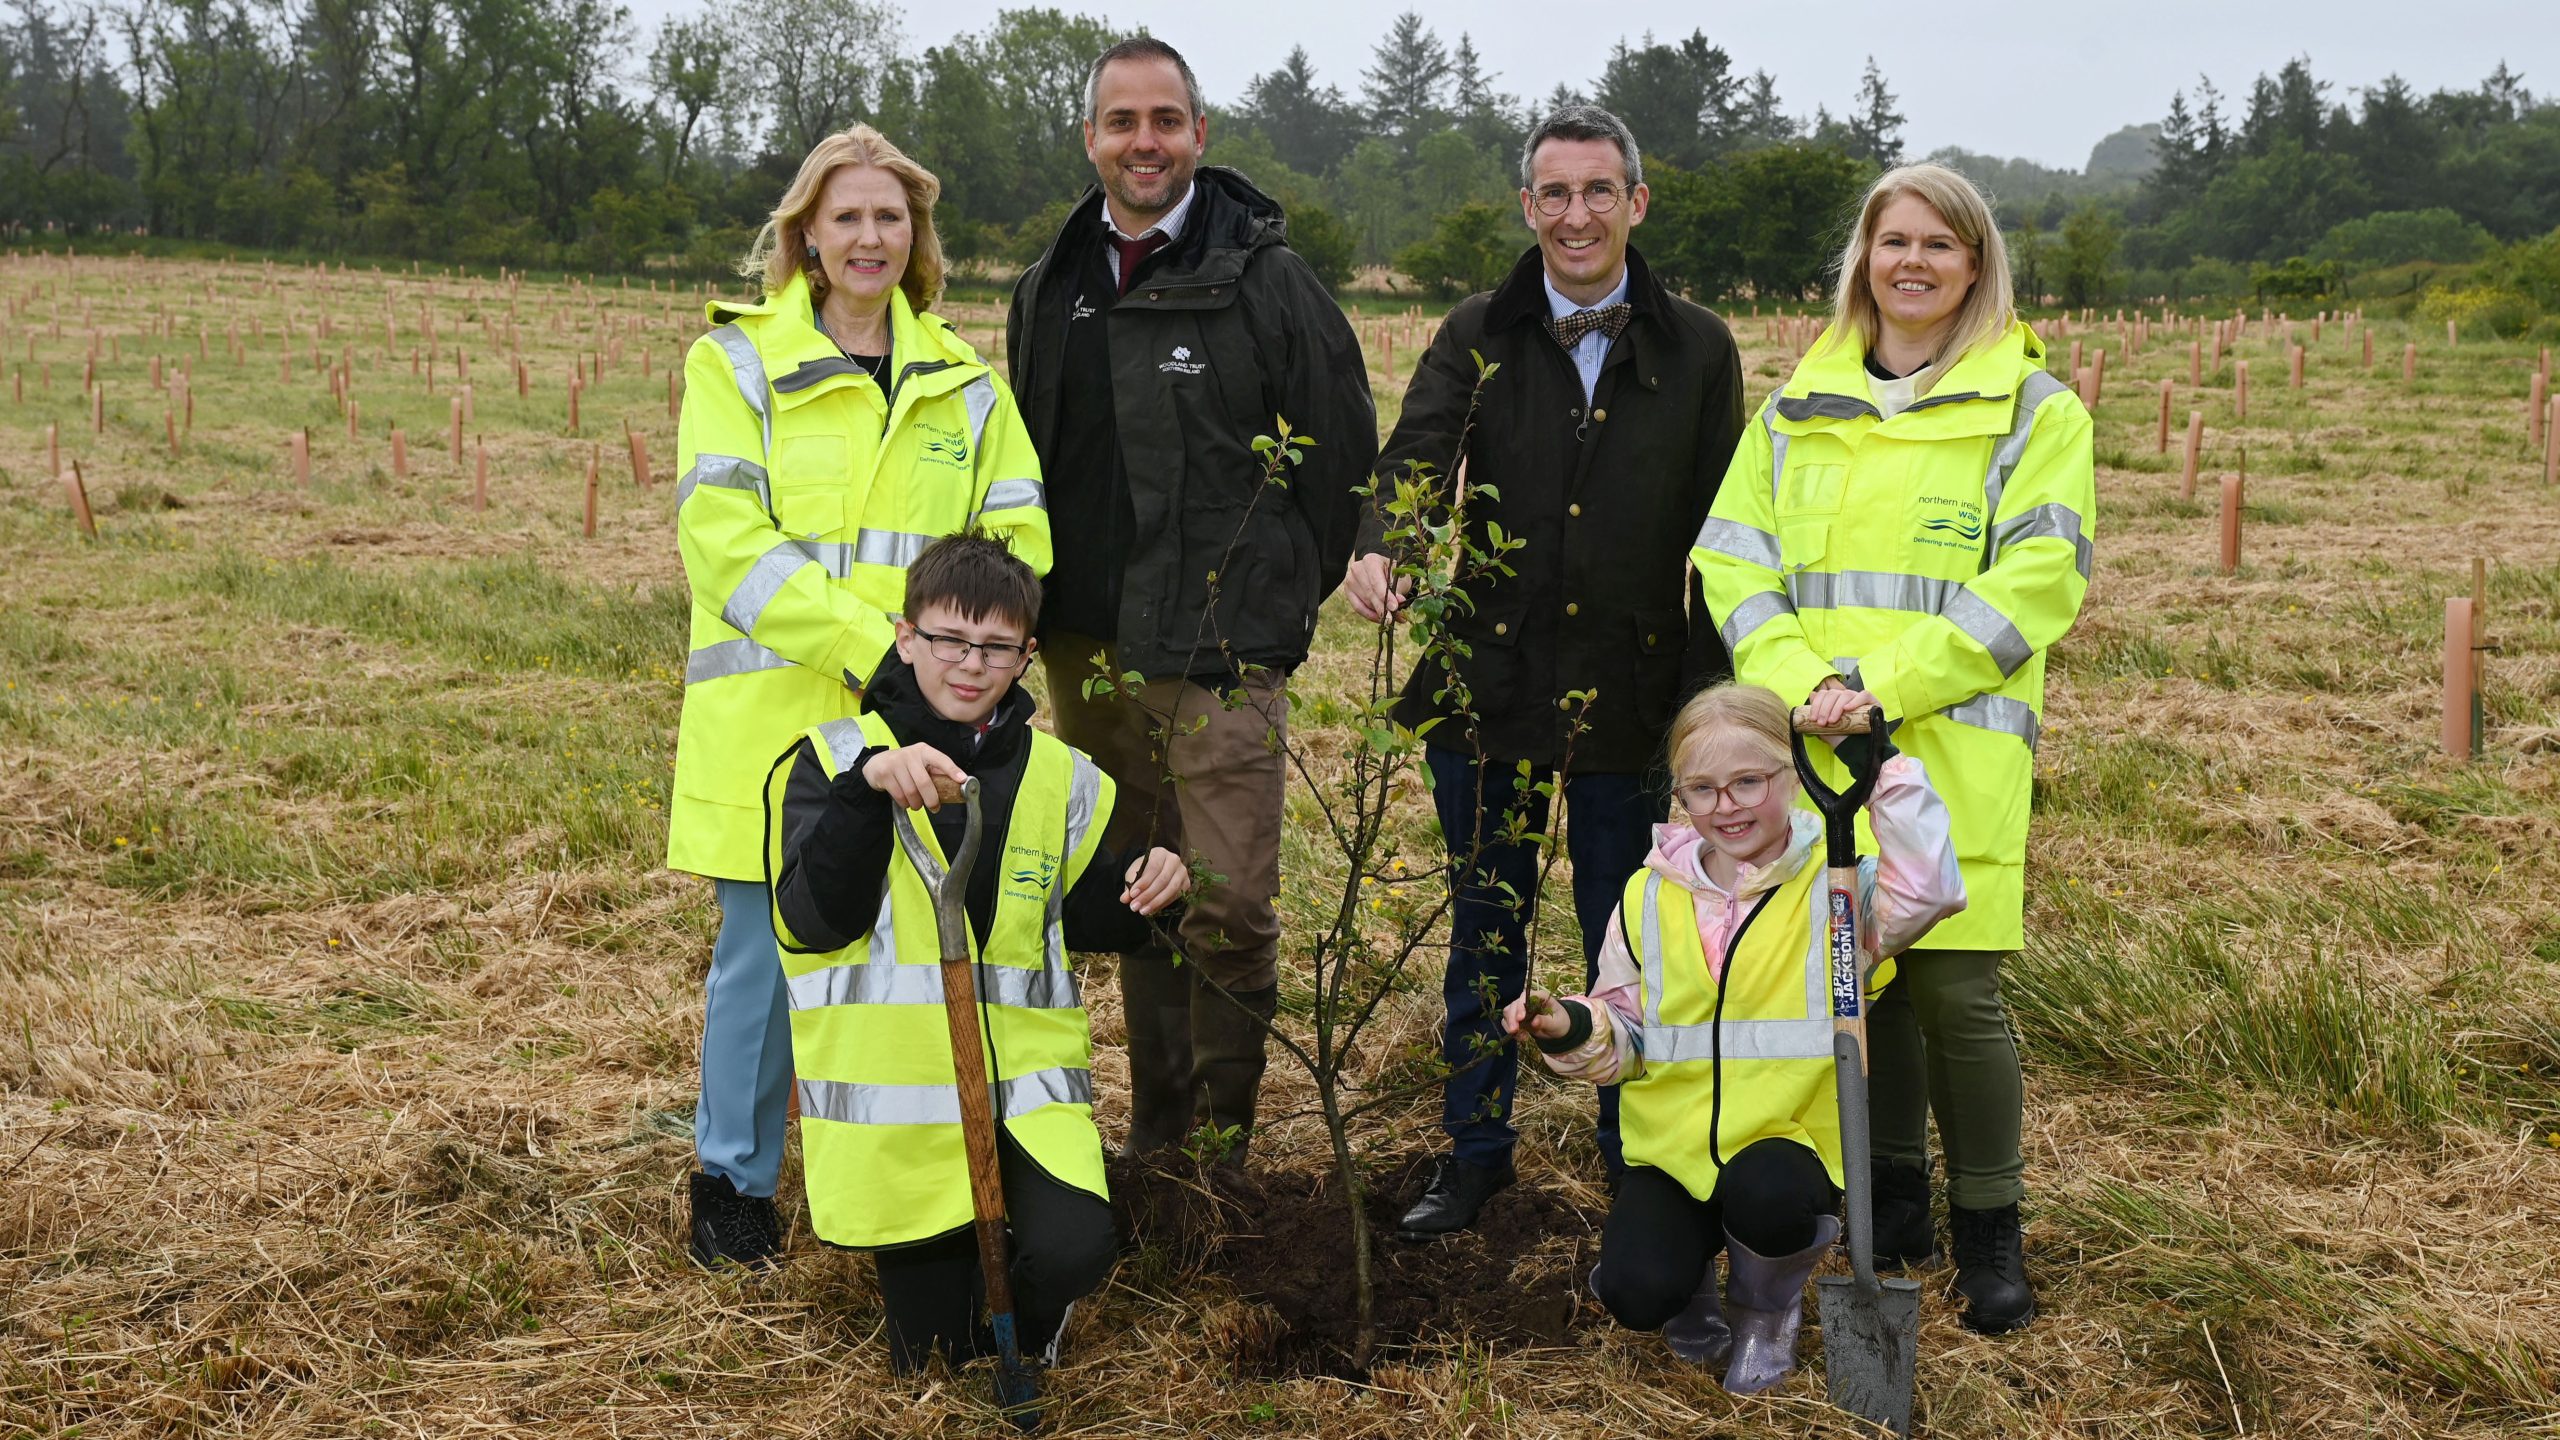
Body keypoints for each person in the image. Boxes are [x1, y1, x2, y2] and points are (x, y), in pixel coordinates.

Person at [1690, 162, 2095, 1334]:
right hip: (1812, 746)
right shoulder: (1794, 409)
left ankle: (1990, 1230)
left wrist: (1879, 684)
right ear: (1861, 261)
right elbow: (1734, 559)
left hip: (1949, 751)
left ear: (1977, 267)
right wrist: (1797, 683)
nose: (1910, 262)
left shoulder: (2034, 411)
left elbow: (2040, 579)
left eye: (1939, 244)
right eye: (1891, 242)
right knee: (1856, 982)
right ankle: (1895, 1203)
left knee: (1953, 993)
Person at [1342, 103, 1745, 1237]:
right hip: (1491, 687)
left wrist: (1709, 704)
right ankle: (1474, 1153)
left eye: (1597, 192)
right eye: (1553, 195)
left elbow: (1728, 534)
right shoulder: (1478, 328)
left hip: (1634, 696)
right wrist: (1388, 546)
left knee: (1635, 931)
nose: (1575, 215)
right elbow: (1414, 462)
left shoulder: (1700, 346)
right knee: (1487, 924)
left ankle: (1637, 1163)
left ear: (1635, 204)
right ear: (1528, 207)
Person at [671, 125, 1050, 1269]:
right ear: (806, 236)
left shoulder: (970, 385)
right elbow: (725, 544)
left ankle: (908, 1192)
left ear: (915, 237)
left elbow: (1018, 540)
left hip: (930, 721)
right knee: (764, 964)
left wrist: (941, 668)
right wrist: (874, 650)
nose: (870, 237)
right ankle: (732, 1184)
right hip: (777, 726)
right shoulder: (733, 367)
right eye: (847, 218)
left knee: (907, 958)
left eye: (891, 217)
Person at [1004, 36, 1375, 1164]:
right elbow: (1023, 458)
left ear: (1200, 135)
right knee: (1134, 896)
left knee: (1226, 903)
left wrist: (1268, 604)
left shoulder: (1266, 278)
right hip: (1086, 649)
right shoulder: (1048, 285)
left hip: (1220, 652)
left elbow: (1340, 462)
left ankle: (1222, 1151)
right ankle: (1157, 1148)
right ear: (1090, 140)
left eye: (1165, 120)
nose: (1143, 142)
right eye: (1121, 122)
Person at [764, 532, 1188, 1370]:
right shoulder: (830, 763)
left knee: (1073, 1252)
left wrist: (1158, 889)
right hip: (903, 1119)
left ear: (1027, 655)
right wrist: (866, 794)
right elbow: (812, 922)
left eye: (996, 647)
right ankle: (952, 1299)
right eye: (950, 640)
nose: (970, 664)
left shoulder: (1062, 777)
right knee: (931, 1359)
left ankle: (1030, 1329)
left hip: (1026, 1098)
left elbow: (1097, 922)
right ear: (905, 635)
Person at [1503, 682, 1962, 1393]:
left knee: (1770, 1195)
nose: (1728, 805)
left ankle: (1763, 1313)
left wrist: (1876, 761)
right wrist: (1568, 1025)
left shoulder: (1836, 889)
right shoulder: (1647, 895)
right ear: (1679, 795)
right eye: (1703, 788)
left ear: (1793, 773)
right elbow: (1622, 1035)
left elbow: (1929, 889)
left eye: (1750, 781)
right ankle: (1688, 1287)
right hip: (1673, 1147)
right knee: (1633, 1291)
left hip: (1788, 1146)